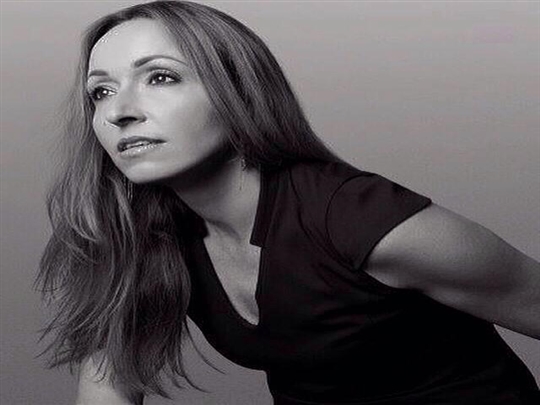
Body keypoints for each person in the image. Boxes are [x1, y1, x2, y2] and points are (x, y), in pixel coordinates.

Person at [37, 1, 540, 404]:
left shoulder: (357, 220)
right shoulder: (139, 232)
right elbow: (109, 382)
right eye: (100, 92)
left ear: (239, 91)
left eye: (161, 78)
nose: (120, 112)